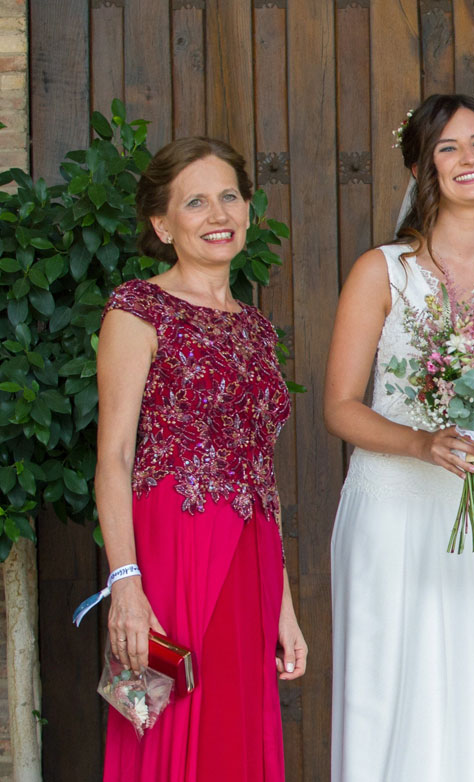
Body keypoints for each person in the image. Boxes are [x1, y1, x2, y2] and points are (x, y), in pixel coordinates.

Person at [324, 93, 474, 781]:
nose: (467, 159)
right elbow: (339, 407)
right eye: (447, 148)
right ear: (424, 169)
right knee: (400, 699)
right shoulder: (383, 270)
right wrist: (421, 444)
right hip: (396, 511)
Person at [97, 136, 307, 781]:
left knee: (235, 732)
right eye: (195, 202)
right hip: (173, 548)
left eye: (229, 197)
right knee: (172, 724)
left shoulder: (254, 327)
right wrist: (125, 585)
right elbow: (114, 457)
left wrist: (285, 607)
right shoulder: (138, 310)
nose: (218, 215)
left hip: (251, 551)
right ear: (163, 224)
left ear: (247, 209)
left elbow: (259, 470)